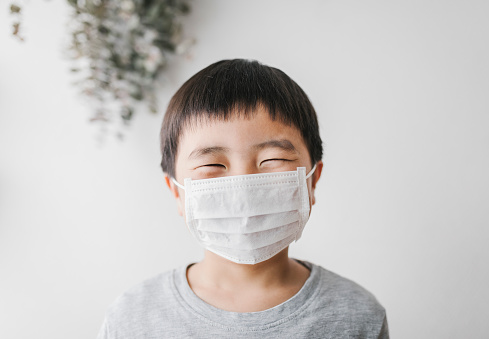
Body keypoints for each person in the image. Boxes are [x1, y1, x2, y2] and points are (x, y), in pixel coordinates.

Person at [97, 59, 389, 338]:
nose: (242, 184)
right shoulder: (132, 318)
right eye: (212, 165)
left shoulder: (357, 315)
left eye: (273, 159)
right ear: (176, 191)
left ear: (312, 179)